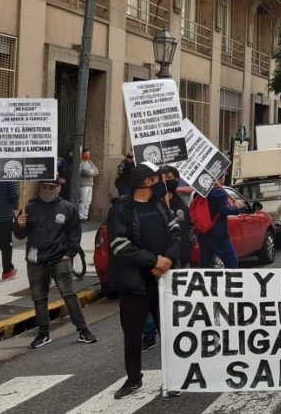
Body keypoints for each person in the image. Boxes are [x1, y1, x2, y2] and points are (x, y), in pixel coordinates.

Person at [106, 163, 179, 399]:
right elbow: (119, 245)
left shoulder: (161, 205)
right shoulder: (121, 209)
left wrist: (168, 259)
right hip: (135, 283)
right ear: (148, 181)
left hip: (163, 282)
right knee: (133, 334)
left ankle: (174, 378)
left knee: (169, 332)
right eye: (160, 178)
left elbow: (177, 234)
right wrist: (154, 261)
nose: (164, 182)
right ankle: (134, 379)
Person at [13, 179, 96, 349]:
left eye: (51, 187)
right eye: (44, 187)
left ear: (58, 188)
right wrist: (19, 225)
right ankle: (43, 333)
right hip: (36, 261)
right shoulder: (29, 207)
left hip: (60, 259)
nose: (47, 190)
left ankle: (83, 330)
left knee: (68, 295)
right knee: (39, 298)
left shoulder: (68, 208)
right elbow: (20, 235)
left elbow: (75, 233)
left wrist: (69, 254)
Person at [140, 165, 193, 352]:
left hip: (180, 260)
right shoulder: (153, 207)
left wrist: (184, 249)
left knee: (179, 301)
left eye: (172, 177)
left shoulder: (181, 204)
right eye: (165, 177)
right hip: (157, 262)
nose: (169, 180)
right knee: (151, 301)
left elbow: (189, 229)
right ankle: (149, 335)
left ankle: (178, 335)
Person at [198, 182, 245, 268]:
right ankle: (229, 281)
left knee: (205, 264)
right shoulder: (219, 192)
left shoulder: (202, 192)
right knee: (231, 261)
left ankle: (205, 281)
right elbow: (224, 211)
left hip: (203, 232)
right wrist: (236, 207)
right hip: (217, 233)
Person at [0, 182, 19, 280]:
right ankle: (7, 271)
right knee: (5, 245)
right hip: (3, 216)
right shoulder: (7, 176)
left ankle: (9, 267)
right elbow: (14, 195)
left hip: (3, 215)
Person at [77, 149, 99, 222]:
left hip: (90, 184)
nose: (88, 155)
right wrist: (91, 172)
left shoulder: (90, 162)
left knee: (88, 202)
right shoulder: (80, 163)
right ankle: (81, 217)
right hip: (83, 185)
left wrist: (90, 172)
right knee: (82, 201)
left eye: (89, 154)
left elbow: (96, 171)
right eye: (86, 153)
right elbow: (85, 172)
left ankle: (85, 217)